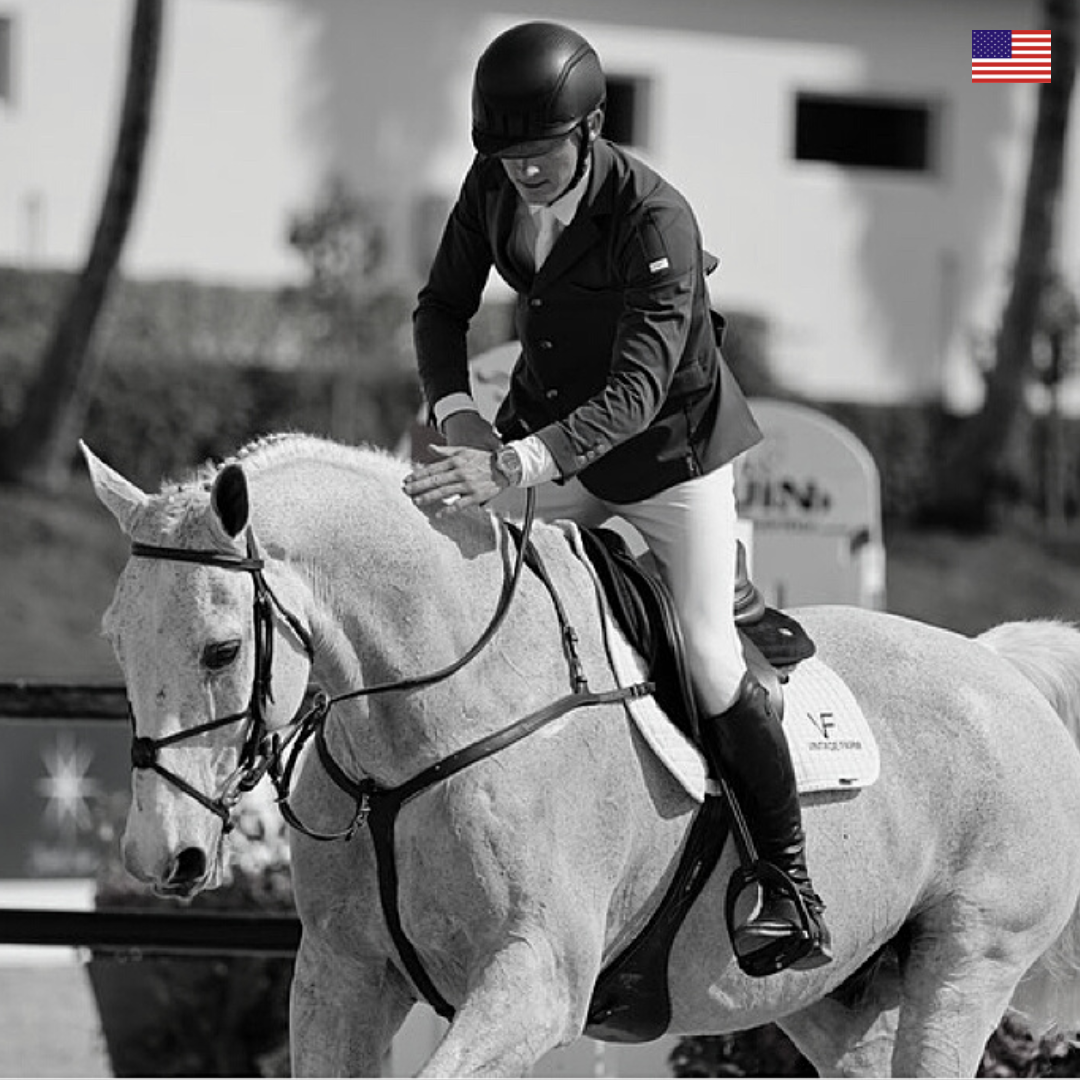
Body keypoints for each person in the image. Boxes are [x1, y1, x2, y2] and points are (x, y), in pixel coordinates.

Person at [403, 19, 830, 976]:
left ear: (591, 130)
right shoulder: (492, 184)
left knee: (710, 659)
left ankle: (789, 883)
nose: (524, 173)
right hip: (548, 440)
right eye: (507, 156)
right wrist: (460, 415)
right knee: (459, 581)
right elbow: (441, 308)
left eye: (542, 153)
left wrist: (510, 466)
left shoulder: (657, 218)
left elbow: (637, 393)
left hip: (671, 460)